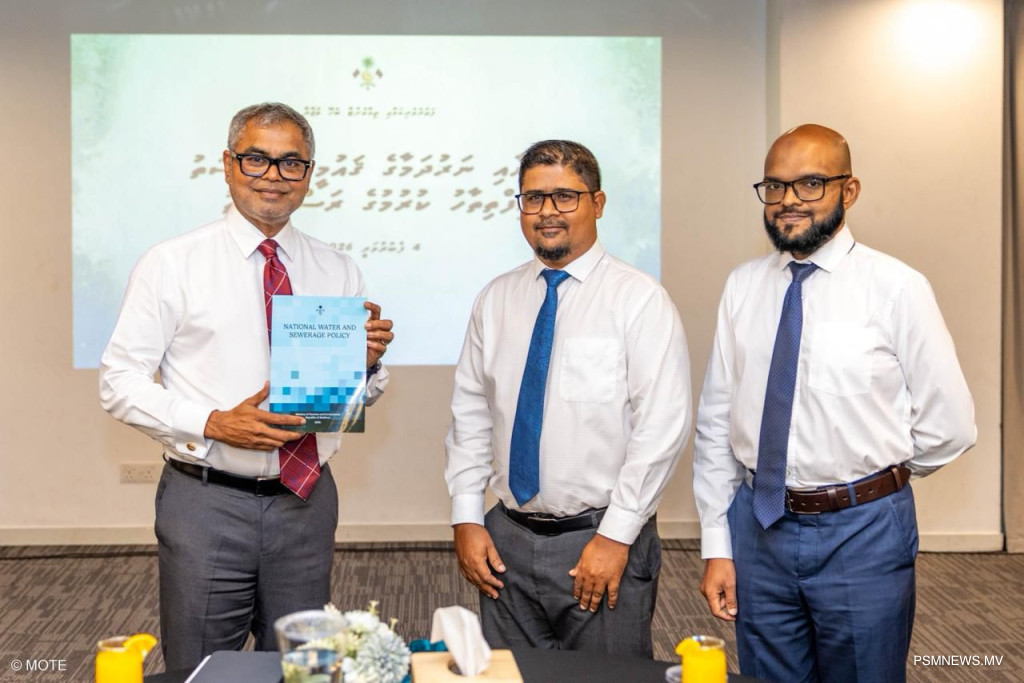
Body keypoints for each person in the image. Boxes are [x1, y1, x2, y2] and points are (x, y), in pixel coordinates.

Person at [99, 102, 394, 670]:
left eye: (291, 163)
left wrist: (364, 368)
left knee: (304, 668)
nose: (273, 176)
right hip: (206, 501)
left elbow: (345, 401)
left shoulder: (337, 269)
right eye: (257, 159)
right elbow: (118, 382)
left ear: (309, 174)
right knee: (202, 668)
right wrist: (212, 423)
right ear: (228, 164)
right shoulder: (171, 264)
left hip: (305, 502)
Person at [693, 124, 976, 682]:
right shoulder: (743, 286)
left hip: (863, 534)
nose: (789, 200)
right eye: (775, 186)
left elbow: (951, 425)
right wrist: (717, 544)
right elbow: (716, 424)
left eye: (810, 183)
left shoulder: (897, 287)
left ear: (849, 190)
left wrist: (871, 481)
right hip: (759, 527)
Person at [445, 139, 692, 657]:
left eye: (565, 197)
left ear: (597, 203)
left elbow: (662, 428)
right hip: (506, 540)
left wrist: (617, 535)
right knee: (511, 676)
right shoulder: (496, 299)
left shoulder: (638, 299)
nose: (547, 212)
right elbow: (471, 414)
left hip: (599, 539)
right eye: (533, 198)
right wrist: (467, 515)